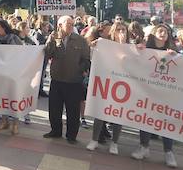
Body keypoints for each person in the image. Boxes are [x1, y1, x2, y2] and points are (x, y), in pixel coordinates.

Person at [131, 24, 179, 168]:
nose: (163, 33)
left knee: (165, 120)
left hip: (166, 93)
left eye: (166, 32)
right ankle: (144, 147)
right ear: (154, 33)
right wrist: (137, 50)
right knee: (146, 118)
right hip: (148, 91)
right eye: (160, 31)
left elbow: (182, 69)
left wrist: (177, 57)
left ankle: (168, 152)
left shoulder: (174, 52)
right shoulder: (145, 49)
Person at [43, 16, 91, 144]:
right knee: (54, 108)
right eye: (68, 24)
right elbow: (48, 54)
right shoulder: (54, 37)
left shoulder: (80, 40)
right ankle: (55, 131)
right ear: (60, 25)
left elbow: (86, 59)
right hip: (57, 79)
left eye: (72, 24)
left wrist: (79, 69)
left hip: (73, 81)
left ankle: (71, 136)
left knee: (73, 111)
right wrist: (53, 41)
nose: (71, 26)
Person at [87, 21, 131, 155]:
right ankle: (94, 140)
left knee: (118, 115)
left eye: (123, 30)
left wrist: (124, 45)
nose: (121, 32)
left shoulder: (131, 48)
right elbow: (93, 58)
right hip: (106, 83)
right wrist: (93, 46)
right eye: (118, 30)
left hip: (122, 86)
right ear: (113, 32)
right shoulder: (105, 45)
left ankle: (114, 143)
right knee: (100, 112)